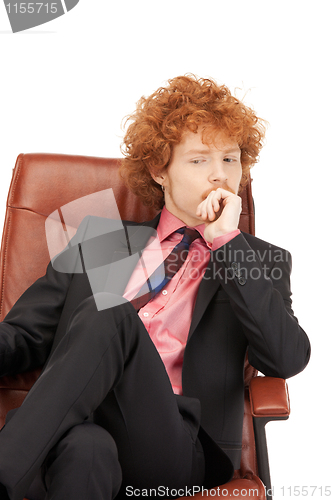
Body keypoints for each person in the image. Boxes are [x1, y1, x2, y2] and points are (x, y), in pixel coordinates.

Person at [0, 75, 310, 500]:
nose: (220, 175)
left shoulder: (260, 260)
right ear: (158, 170)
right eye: (199, 161)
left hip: (174, 446)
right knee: (86, 450)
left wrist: (225, 241)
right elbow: (24, 337)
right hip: (82, 431)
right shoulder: (101, 244)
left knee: (109, 312)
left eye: (231, 159)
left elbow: (285, 358)